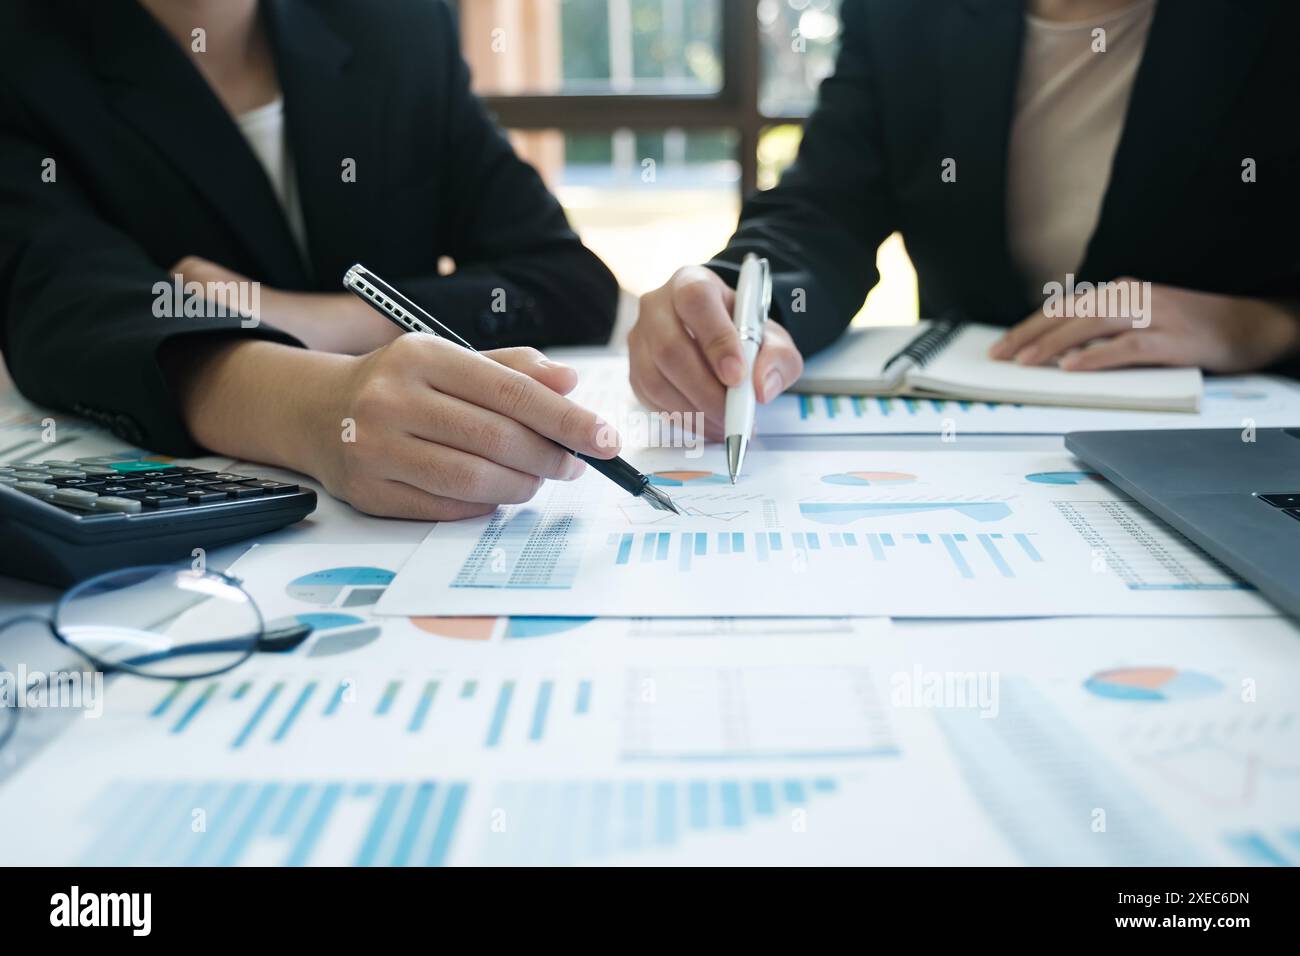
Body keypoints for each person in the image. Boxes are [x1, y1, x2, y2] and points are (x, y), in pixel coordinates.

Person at [0, 0, 622, 520]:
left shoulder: (392, 23)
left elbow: (569, 281)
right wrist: (315, 408)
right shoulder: (23, 55)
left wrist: (325, 322)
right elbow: (58, 301)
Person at [630, 0, 1300, 439]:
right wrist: (732, 298)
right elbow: (824, 209)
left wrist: (1262, 325)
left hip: (1230, 443)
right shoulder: (905, 17)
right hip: (976, 442)